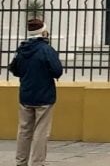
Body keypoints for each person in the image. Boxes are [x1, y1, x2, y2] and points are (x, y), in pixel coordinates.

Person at [9, 19, 63, 166]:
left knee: (24, 130)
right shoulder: (46, 50)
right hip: (44, 95)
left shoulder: (22, 49)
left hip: (26, 94)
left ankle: (21, 161)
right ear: (43, 32)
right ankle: (37, 162)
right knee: (41, 132)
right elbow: (57, 70)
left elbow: (14, 69)